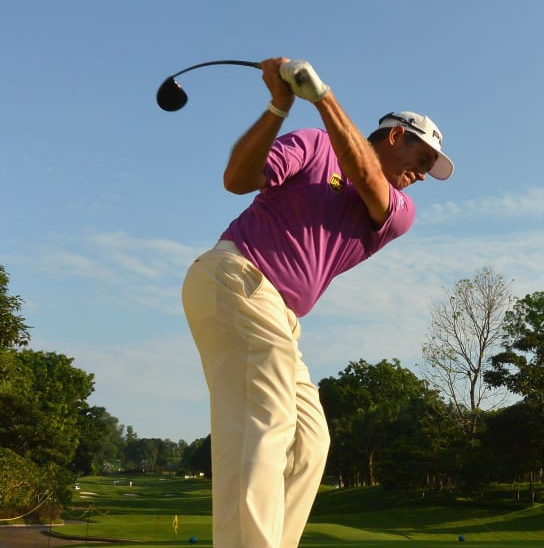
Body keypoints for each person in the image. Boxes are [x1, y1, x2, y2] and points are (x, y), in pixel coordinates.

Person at [181, 57, 453, 548]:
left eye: (431, 167)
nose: (424, 173)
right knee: (266, 425)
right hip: (237, 280)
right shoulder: (314, 144)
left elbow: (367, 179)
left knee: (310, 442)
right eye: (424, 158)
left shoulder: (399, 211)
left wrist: (323, 97)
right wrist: (277, 106)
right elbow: (237, 179)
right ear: (395, 136)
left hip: (277, 316)